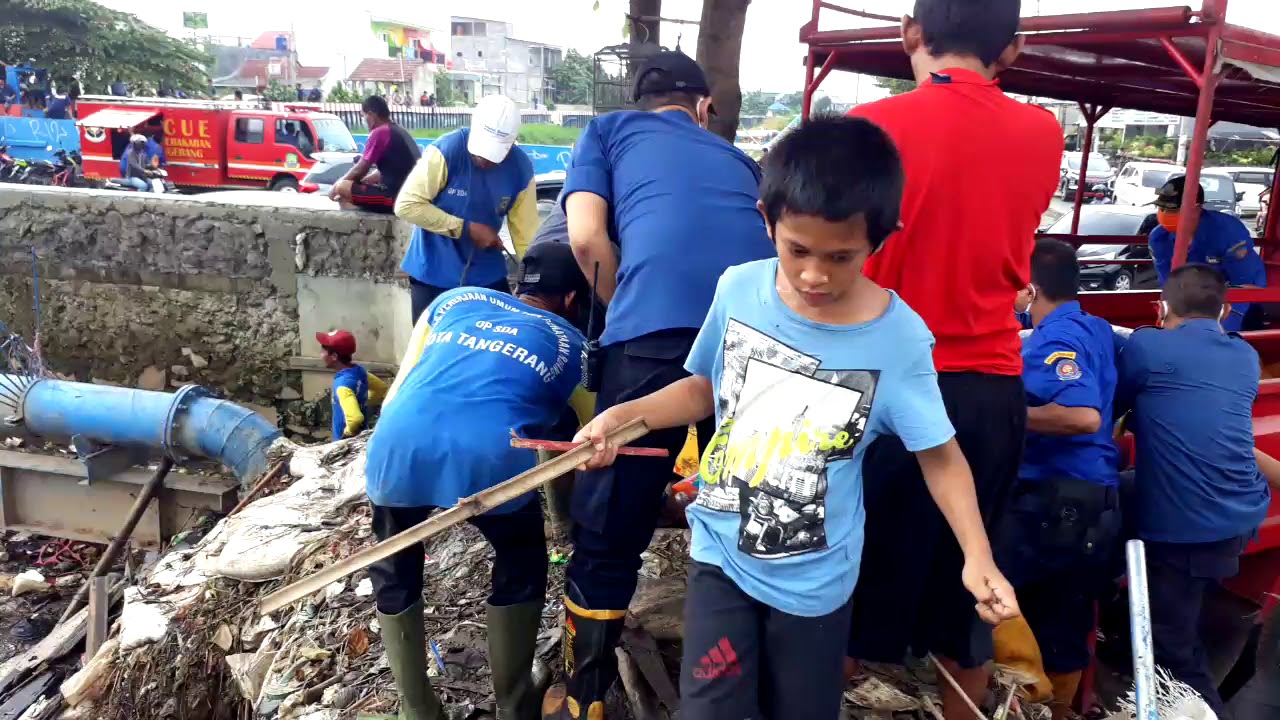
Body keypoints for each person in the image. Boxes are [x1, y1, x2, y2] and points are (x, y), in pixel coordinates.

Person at [567, 117, 1017, 720]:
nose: (813, 275)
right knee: (711, 711)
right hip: (720, 555)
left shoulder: (899, 339)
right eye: (797, 249)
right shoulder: (738, 290)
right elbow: (702, 390)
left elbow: (941, 458)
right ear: (767, 220)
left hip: (815, 585)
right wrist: (625, 416)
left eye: (840, 257)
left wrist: (978, 556)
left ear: (880, 241)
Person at [839, 2, 1064, 715]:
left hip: (875, 380)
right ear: (1016, 48)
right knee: (971, 581)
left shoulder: (870, 127)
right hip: (990, 389)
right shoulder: (1041, 131)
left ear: (911, 33)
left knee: (844, 572)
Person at [539, 51, 774, 720]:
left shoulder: (608, 131)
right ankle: (745, 680)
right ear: (703, 107)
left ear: (642, 100)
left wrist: (621, 308)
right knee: (755, 511)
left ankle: (585, 696)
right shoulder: (736, 159)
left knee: (610, 521)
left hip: (652, 338)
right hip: (756, 340)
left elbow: (585, 239)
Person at [365, 242, 595, 720]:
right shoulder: (575, 346)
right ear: (573, 299)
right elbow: (582, 443)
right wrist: (569, 520)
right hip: (489, 457)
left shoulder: (455, 300)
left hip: (397, 441)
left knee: (394, 566)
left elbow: (407, 379)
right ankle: (514, 700)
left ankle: (417, 708)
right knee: (521, 559)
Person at [1115, 263, 1272, 718]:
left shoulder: (1146, 345)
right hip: (1242, 514)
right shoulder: (1244, 355)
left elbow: (1111, 408)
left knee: (1173, 650)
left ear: (1162, 308)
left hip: (1186, 525)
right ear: (1225, 311)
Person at [994, 239, 1122, 720]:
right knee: (1066, 618)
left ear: (1029, 289)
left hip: (1053, 497)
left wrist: (1002, 415)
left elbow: (1082, 415)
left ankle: (1028, 702)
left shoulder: (1054, 338)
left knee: (992, 594)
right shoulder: (1097, 328)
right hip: (1092, 499)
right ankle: (1060, 709)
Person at [395, 94, 537, 323]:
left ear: (512, 142)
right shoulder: (446, 151)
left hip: (487, 277)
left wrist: (535, 282)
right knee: (432, 352)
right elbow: (407, 206)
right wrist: (466, 229)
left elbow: (526, 237)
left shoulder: (521, 170)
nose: (483, 159)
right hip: (432, 272)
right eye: (480, 151)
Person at [1147, 175, 1266, 332]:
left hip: (1242, 304)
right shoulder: (1159, 239)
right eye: (1161, 208)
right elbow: (1168, 284)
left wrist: (1220, 335)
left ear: (1196, 208)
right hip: (1193, 303)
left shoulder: (1227, 232)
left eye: (1173, 210)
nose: (1165, 214)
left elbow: (1244, 288)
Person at [330, 96, 421, 214]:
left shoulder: (380, 132)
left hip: (396, 197)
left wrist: (335, 187)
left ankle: (362, 209)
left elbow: (360, 168)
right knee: (347, 193)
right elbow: (382, 172)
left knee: (342, 187)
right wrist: (364, 182)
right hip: (410, 195)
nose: (363, 120)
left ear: (371, 115)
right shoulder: (398, 130)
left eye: (363, 116)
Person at [316, 329, 388, 441]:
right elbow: (381, 388)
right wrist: (361, 404)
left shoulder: (342, 384)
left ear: (334, 356)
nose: (320, 355)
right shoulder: (359, 371)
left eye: (323, 351)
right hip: (362, 439)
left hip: (345, 446)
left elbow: (355, 418)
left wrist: (347, 433)